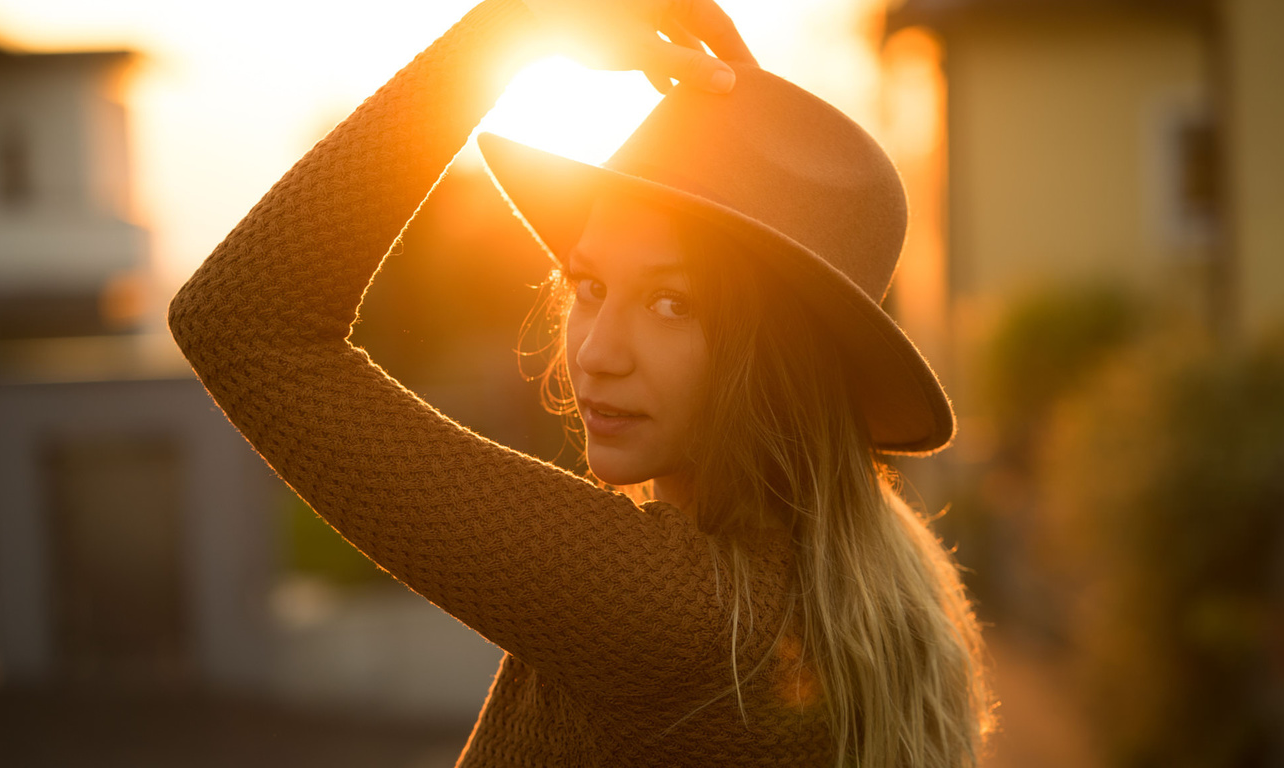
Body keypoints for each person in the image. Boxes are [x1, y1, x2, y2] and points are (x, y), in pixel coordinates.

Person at [167, 0, 995, 765]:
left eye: (673, 303)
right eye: (588, 287)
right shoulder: (887, 582)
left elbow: (243, 323)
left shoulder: (679, 614)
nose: (597, 350)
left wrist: (508, 29)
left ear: (783, 359)